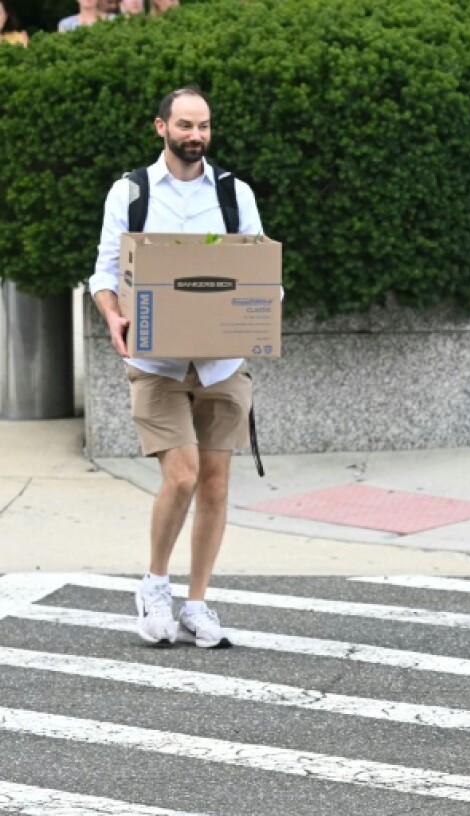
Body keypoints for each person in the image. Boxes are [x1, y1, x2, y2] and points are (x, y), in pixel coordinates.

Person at [89, 86, 263, 649]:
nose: (196, 136)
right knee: (182, 474)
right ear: (160, 127)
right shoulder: (132, 192)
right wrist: (114, 317)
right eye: (185, 125)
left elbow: (261, 270)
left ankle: (197, 602)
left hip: (221, 363)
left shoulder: (235, 195)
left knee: (214, 484)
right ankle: (155, 584)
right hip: (156, 361)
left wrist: (260, 311)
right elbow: (105, 274)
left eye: (204, 126)